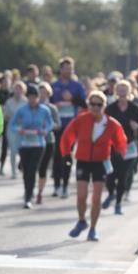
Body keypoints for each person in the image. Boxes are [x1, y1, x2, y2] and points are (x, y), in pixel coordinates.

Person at [59, 90, 126, 242]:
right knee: (81, 196)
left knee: (96, 198)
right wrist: (66, 153)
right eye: (92, 104)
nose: (95, 107)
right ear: (88, 105)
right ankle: (82, 220)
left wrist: (120, 152)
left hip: (100, 162)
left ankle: (93, 229)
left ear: (104, 106)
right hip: (83, 160)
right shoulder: (81, 120)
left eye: (99, 104)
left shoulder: (111, 123)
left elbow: (121, 140)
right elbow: (67, 136)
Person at [9, 84, 54, 208]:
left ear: (38, 98)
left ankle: (28, 197)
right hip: (24, 144)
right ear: (27, 97)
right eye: (30, 97)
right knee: (26, 171)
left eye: (34, 97)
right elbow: (12, 125)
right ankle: (27, 191)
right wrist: (19, 130)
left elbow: (50, 123)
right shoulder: (22, 110)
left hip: (38, 144)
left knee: (33, 169)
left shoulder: (45, 110)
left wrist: (46, 130)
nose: (32, 100)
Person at [104, 80, 138, 215]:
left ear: (129, 92)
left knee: (122, 175)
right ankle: (111, 193)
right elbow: (102, 124)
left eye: (124, 90)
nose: (122, 93)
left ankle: (118, 203)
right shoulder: (110, 108)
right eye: (119, 90)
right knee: (110, 175)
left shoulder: (134, 108)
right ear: (116, 92)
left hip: (128, 146)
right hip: (113, 146)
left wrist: (137, 126)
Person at [51, 57, 87, 198]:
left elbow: (85, 104)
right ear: (60, 69)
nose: (69, 71)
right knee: (56, 155)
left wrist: (72, 99)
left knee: (67, 154)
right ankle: (56, 185)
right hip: (56, 125)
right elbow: (47, 102)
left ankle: (65, 185)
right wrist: (56, 104)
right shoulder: (54, 86)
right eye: (66, 68)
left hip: (71, 126)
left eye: (71, 69)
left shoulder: (77, 86)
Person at [35, 82, 61, 204]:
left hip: (48, 141)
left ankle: (39, 192)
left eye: (44, 92)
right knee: (30, 168)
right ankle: (29, 189)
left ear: (48, 94)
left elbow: (58, 125)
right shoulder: (31, 107)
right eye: (40, 92)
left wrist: (47, 127)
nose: (42, 95)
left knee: (43, 168)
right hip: (32, 142)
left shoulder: (52, 108)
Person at [1, 81, 28, 177]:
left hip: (23, 129)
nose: (18, 91)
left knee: (23, 150)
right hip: (11, 128)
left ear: (23, 91)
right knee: (13, 150)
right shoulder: (9, 101)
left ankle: (24, 168)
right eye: (16, 89)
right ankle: (13, 172)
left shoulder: (26, 102)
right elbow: (5, 116)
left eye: (20, 89)